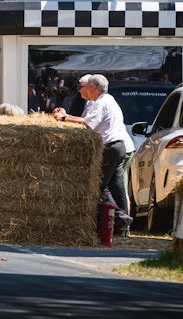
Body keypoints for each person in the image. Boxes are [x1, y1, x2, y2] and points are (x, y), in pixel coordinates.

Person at [52, 74, 134, 237]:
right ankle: (122, 228)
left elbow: (88, 123)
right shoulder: (109, 100)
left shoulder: (101, 102)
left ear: (95, 89)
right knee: (117, 187)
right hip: (119, 146)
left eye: (87, 87)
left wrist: (64, 117)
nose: (85, 90)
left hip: (110, 147)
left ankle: (121, 217)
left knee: (97, 185)